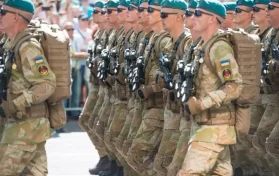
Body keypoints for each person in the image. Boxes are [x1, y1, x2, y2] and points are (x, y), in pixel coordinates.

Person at [176, 0, 243, 175]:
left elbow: (234, 85)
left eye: (198, 14)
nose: (193, 17)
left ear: (212, 19)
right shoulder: (200, 47)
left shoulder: (219, 48)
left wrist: (202, 103)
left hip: (215, 126)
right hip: (203, 123)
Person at [0, 0, 56, 175]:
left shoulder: (27, 47)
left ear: (15, 16)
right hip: (24, 124)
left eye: (3, 12)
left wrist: (16, 104)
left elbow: (47, 84)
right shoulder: (11, 44)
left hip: (27, 125)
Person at [126, 0, 171, 174]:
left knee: (141, 154)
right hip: (147, 102)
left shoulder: (165, 40)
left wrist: (150, 88)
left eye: (150, 10)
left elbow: (168, 75)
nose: (142, 13)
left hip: (159, 105)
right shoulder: (152, 37)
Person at [152, 0, 190, 175]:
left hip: (184, 114)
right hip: (170, 110)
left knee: (174, 166)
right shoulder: (170, 44)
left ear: (179, 17)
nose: (161, 18)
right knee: (162, 163)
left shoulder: (187, 43)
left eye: (164, 15)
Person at [121, 0, 154, 158]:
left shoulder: (159, 39)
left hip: (157, 105)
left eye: (143, 9)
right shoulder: (141, 37)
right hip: (137, 98)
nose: (141, 12)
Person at [252, 0, 279, 174]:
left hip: (274, 97)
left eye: (271, 7)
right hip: (267, 94)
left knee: (270, 143)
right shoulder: (271, 33)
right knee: (258, 140)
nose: (266, 11)